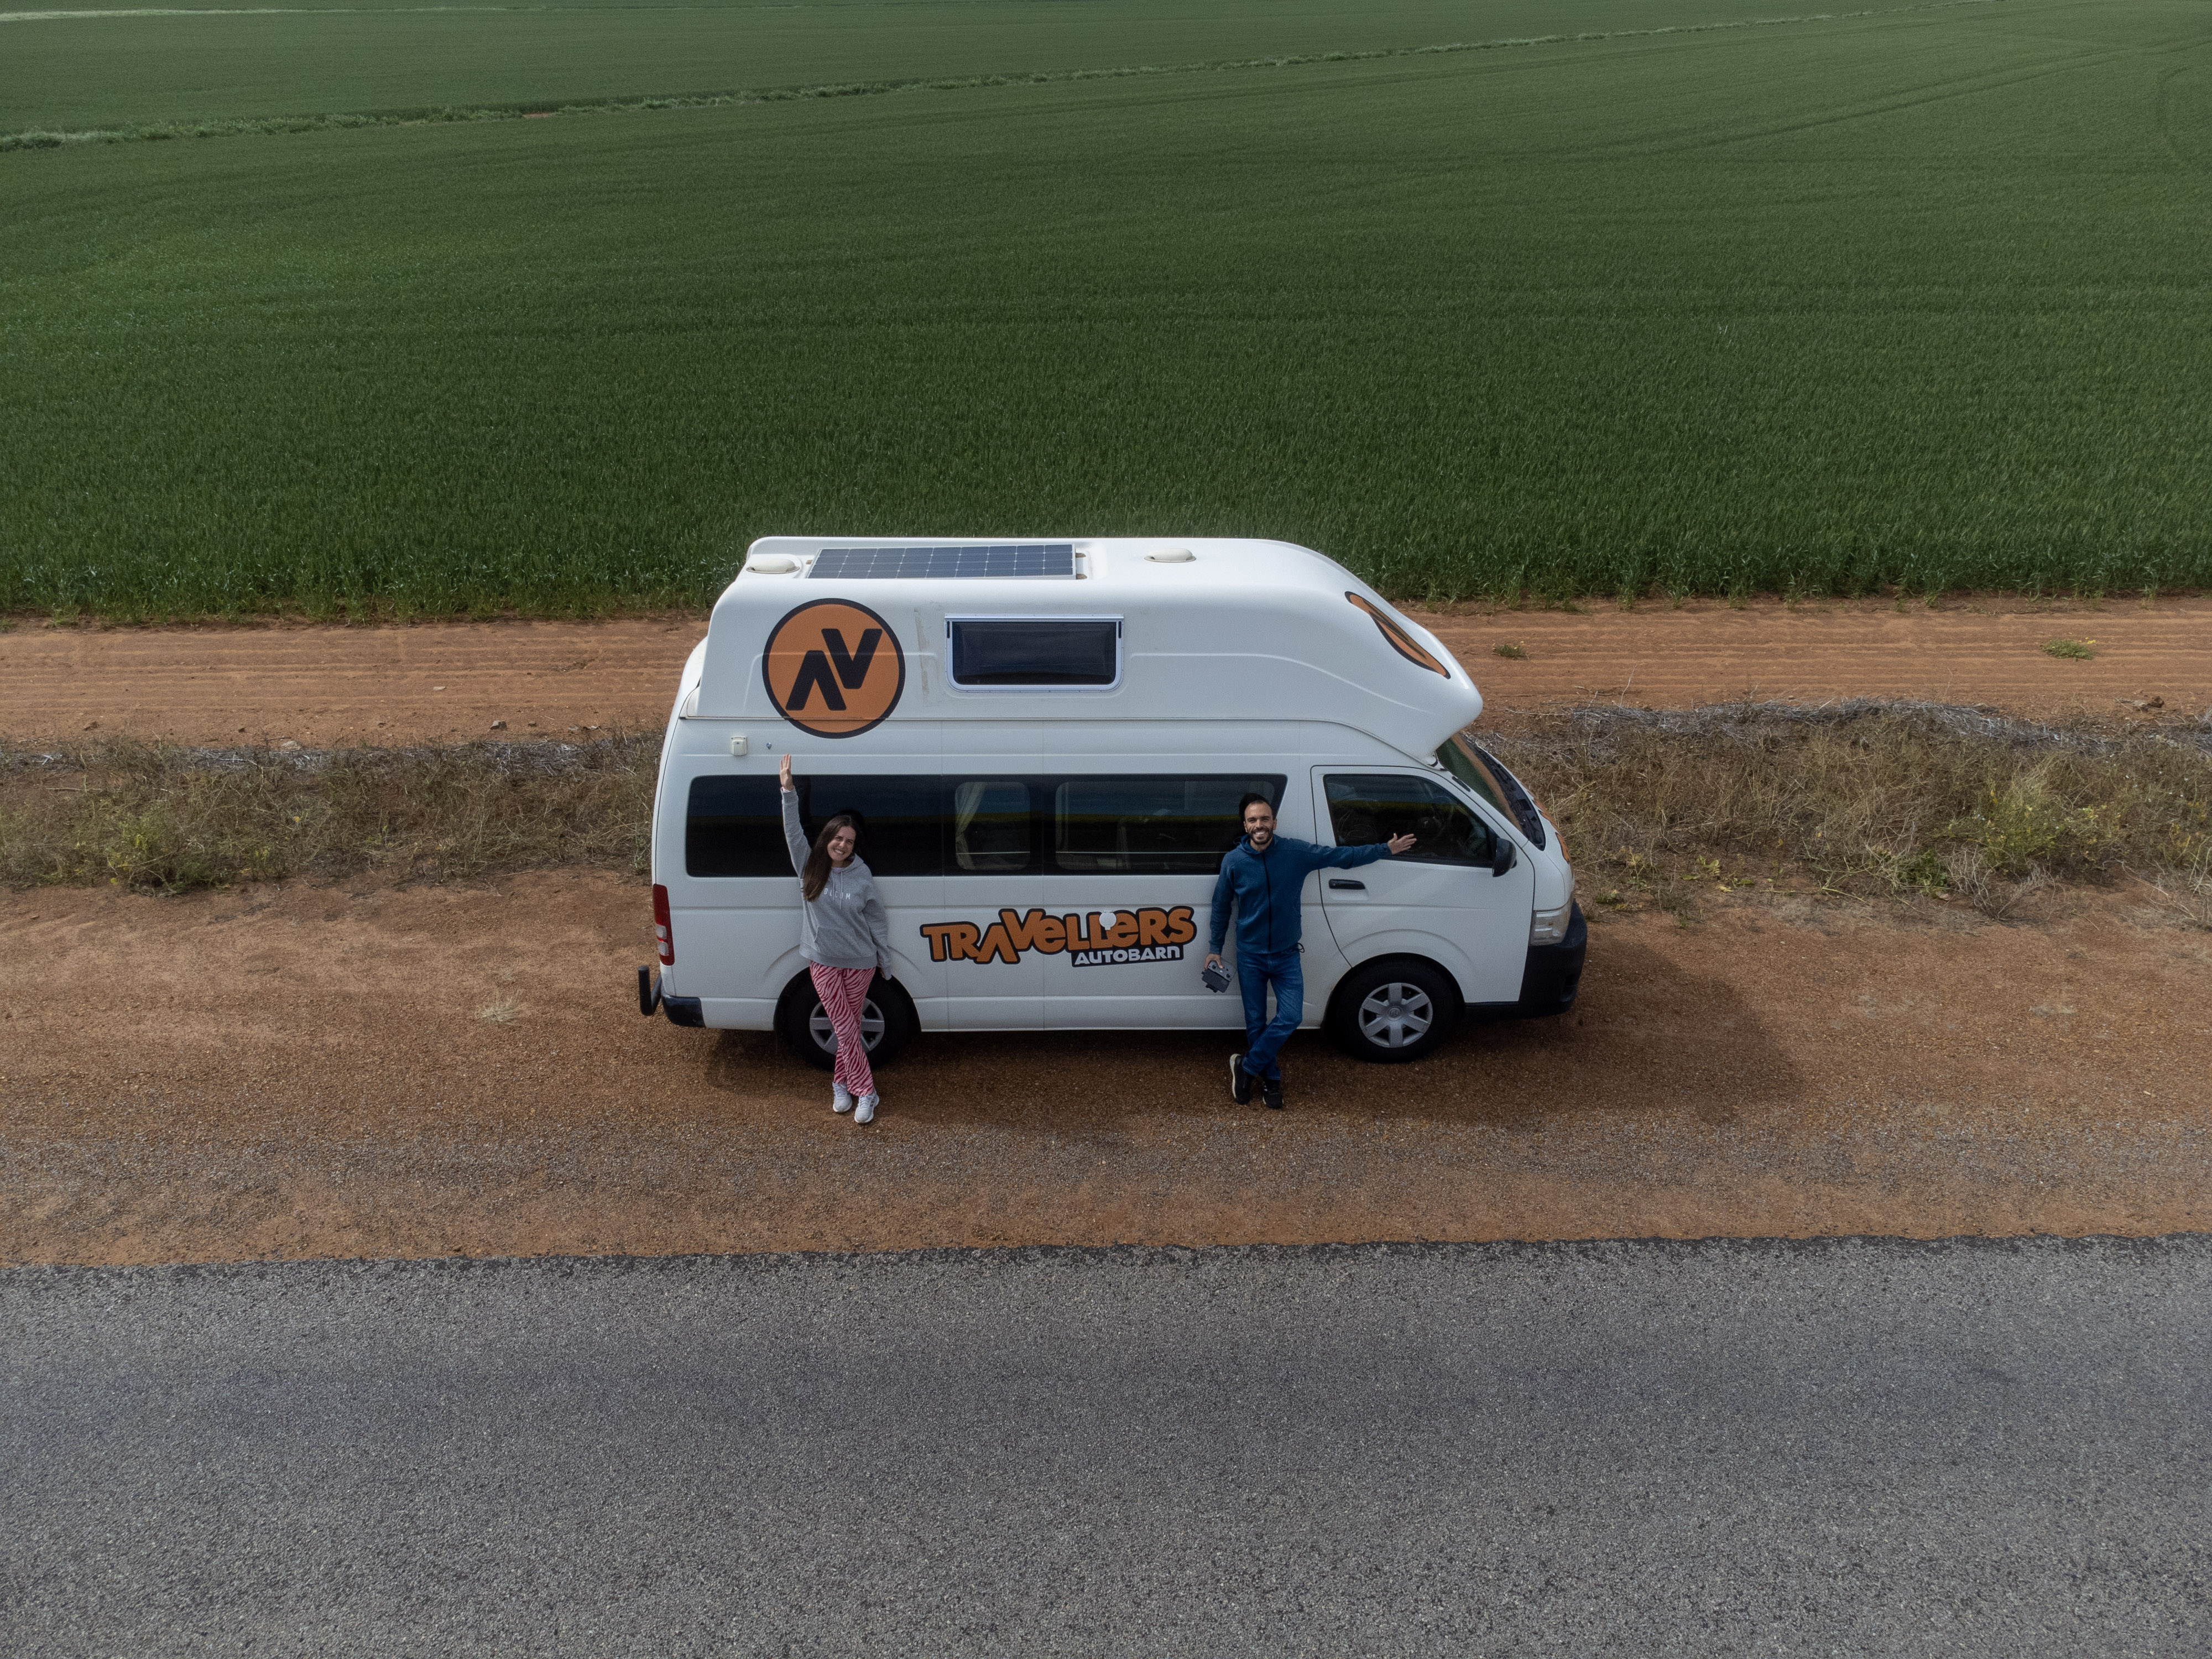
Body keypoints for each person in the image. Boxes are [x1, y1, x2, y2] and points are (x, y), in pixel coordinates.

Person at [1205, 794, 1414, 1109]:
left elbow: (1342, 856)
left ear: (1274, 822)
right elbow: (1221, 907)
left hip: (1287, 954)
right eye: (1252, 820)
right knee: (1256, 1022)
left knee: (1291, 1016)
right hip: (1250, 955)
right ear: (1244, 825)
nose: (1259, 825)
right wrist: (1214, 949)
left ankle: (1245, 1067)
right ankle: (1272, 1078)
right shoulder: (1233, 862)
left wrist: (1385, 849)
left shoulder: (1295, 852)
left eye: (1264, 819)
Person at [780, 753, 893, 1125]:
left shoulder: (863, 876)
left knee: (849, 1028)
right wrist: (788, 791)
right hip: (823, 961)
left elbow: (876, 918)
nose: (843, 845)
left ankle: (840, 1085)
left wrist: (884, 959)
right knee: (845, 1027)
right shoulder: (810, 865)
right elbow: (794, 832)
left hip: (860, 963)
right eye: (837, 838)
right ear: (827, 838)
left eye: (850, 841)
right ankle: (868, 1092)